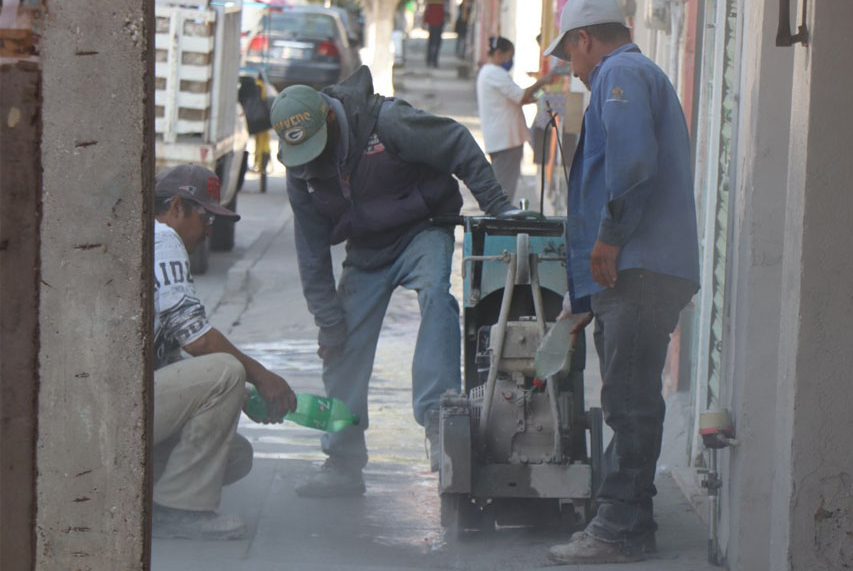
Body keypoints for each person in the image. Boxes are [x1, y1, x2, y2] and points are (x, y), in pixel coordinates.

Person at [270, 67, 515, 497]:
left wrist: (498, 207)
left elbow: (457, 141)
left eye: (315, 149)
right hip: (366, 247)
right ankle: (343, 462)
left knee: (437, 296)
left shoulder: (389, 123)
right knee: (341, 344)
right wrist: (328, 322)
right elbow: (311, 252)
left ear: (329, 118)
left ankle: (440, 417)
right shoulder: (301, 166)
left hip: (422, 228)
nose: (312, 163)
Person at [542, 0, 700, 564]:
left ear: (585, 39)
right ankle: (626, 520)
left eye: (570, 55)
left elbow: (633, 167)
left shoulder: (622, 73)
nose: (572, 69)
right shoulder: (626, 74)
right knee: (627, 399)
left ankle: (619, 529)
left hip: (640, 268)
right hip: (631, 272)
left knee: (630, 403)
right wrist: (584, 297)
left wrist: (609, 240)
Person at [151, 164, 297, 540]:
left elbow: (170, 358)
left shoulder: (151, 238)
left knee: (235, 454)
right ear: (178, 207)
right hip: (115, 404)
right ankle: (179, 511)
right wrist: (260, 376)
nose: (209, 231)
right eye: (206, 218)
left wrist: (240, 396)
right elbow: (196, 338)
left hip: (124, 399)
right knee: (227, 370)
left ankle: (145, 500)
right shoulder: (163, 238)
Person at [475, 36, 555, 202]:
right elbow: (521, 97)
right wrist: (542, 81)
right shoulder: (494, 73)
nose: (510, 60)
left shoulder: (489, 73)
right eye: (509, 56)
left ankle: (497, 222)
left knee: (503, 188)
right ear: (498, 53)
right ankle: (498, 224)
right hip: (505, 141)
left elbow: (522, 98)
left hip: (503, 139)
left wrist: (540, 93)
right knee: (503, 192)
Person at [423, 0, 446, 68]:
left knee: (431, 43)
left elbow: (427, 13)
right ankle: (434, 61)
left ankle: (429, 60)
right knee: (437, 43)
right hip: (438, 25)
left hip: (432, 25)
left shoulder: (430, 2)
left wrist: (425, 22)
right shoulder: (441, 2)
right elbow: (443, 15)